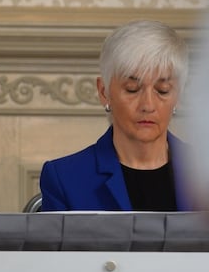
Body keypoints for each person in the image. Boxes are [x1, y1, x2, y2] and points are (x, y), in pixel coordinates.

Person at [39, 19, 191, 211]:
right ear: (104, 92)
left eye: (162, 90)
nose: (148, 105)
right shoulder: (65, 178)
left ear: (178, 95)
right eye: (132, 89)